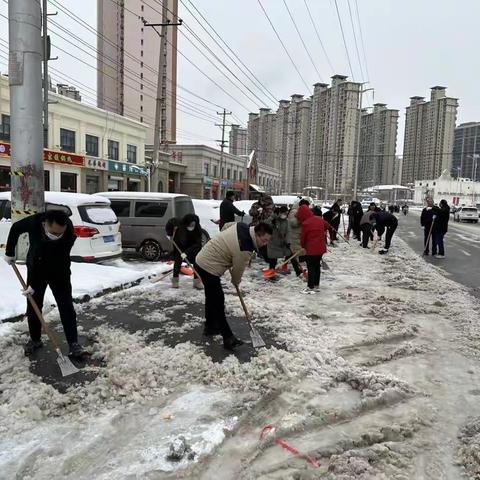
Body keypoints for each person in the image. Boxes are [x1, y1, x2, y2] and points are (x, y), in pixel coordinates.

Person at [4, 210, 85, 357]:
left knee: (66, 306)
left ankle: (74, 343)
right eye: (54, 233)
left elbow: (57, 257)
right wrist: (10, 251)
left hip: (60, 271)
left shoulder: (68, 229)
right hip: (36, 268)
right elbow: (15, 228)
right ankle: (35, 340)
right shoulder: (34, 222)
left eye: (60, 233)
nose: (57, 236)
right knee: (34, 305)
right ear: (45, 224)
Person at [195, 222, 273, 350]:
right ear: (257, 235)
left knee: (211, 297)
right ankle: (228, 338)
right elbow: (237, 272)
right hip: (209, 266)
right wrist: (236, 281)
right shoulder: (246, 248)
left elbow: (226, 226)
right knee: (218, 301)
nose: (265, 244)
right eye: (264, 240)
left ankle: (210, 327)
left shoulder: (242, 226)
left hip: (203, 258)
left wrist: (227, 245)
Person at [297, 204, 334, 293]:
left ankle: (310, 287)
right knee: (317, 266)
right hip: (320, 248)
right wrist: (323, 231)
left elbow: (303, 238)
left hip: (311, 249)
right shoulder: (319, 219)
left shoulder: (305, 223)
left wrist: (302, 246)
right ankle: (316, 285)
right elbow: (328, 226)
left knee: (311, 267)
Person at [171, 213, 203, 289]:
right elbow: (177, 241)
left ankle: (197, 282)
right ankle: (175, 281)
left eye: (193, 224)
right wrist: (169, 235)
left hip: (193, 249)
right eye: (190, 224)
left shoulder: (198, 228)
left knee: (197, 262)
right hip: (181, 249)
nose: (192, 226)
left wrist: (187, 252)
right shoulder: (181, 228)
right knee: (177, 261)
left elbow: (198, 244)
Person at [263, 206, 291, 275]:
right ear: (279, 213)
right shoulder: (274, 220)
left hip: (282, 242)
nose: (285, 215)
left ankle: (286, 266)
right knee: (273, 259)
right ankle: (271, 271)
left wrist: (288, 241)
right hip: (273, 242)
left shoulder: (286, 221)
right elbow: (264, 224)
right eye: (283, 213)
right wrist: (272, 218)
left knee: (290, 253)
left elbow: (288, 232)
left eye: (286, 213)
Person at [287, 199, 308, 277]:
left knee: (294, 252)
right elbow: (293, 223)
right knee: (294, 252)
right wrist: (301, 220)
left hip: (298, 235)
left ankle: (296, 268)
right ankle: (297, 270)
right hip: (293, 235)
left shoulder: (300, 211)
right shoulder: (294, 211)